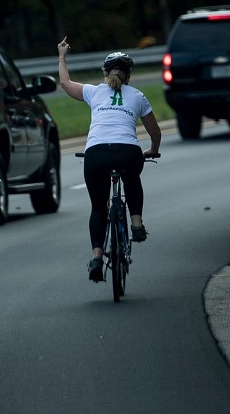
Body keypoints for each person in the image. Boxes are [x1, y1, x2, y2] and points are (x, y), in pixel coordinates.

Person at [57, 36, 162, 282]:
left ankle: (96, 257)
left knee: (98, 207)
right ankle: (136, 224)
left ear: (105, 73)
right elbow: (154, 132)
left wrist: (62, 56)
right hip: (128, 152)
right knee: (132, 178)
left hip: (96, 153)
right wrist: (153, 149)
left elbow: (65, 83)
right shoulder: (137, 95)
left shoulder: (94, 92)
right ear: (129, 76)